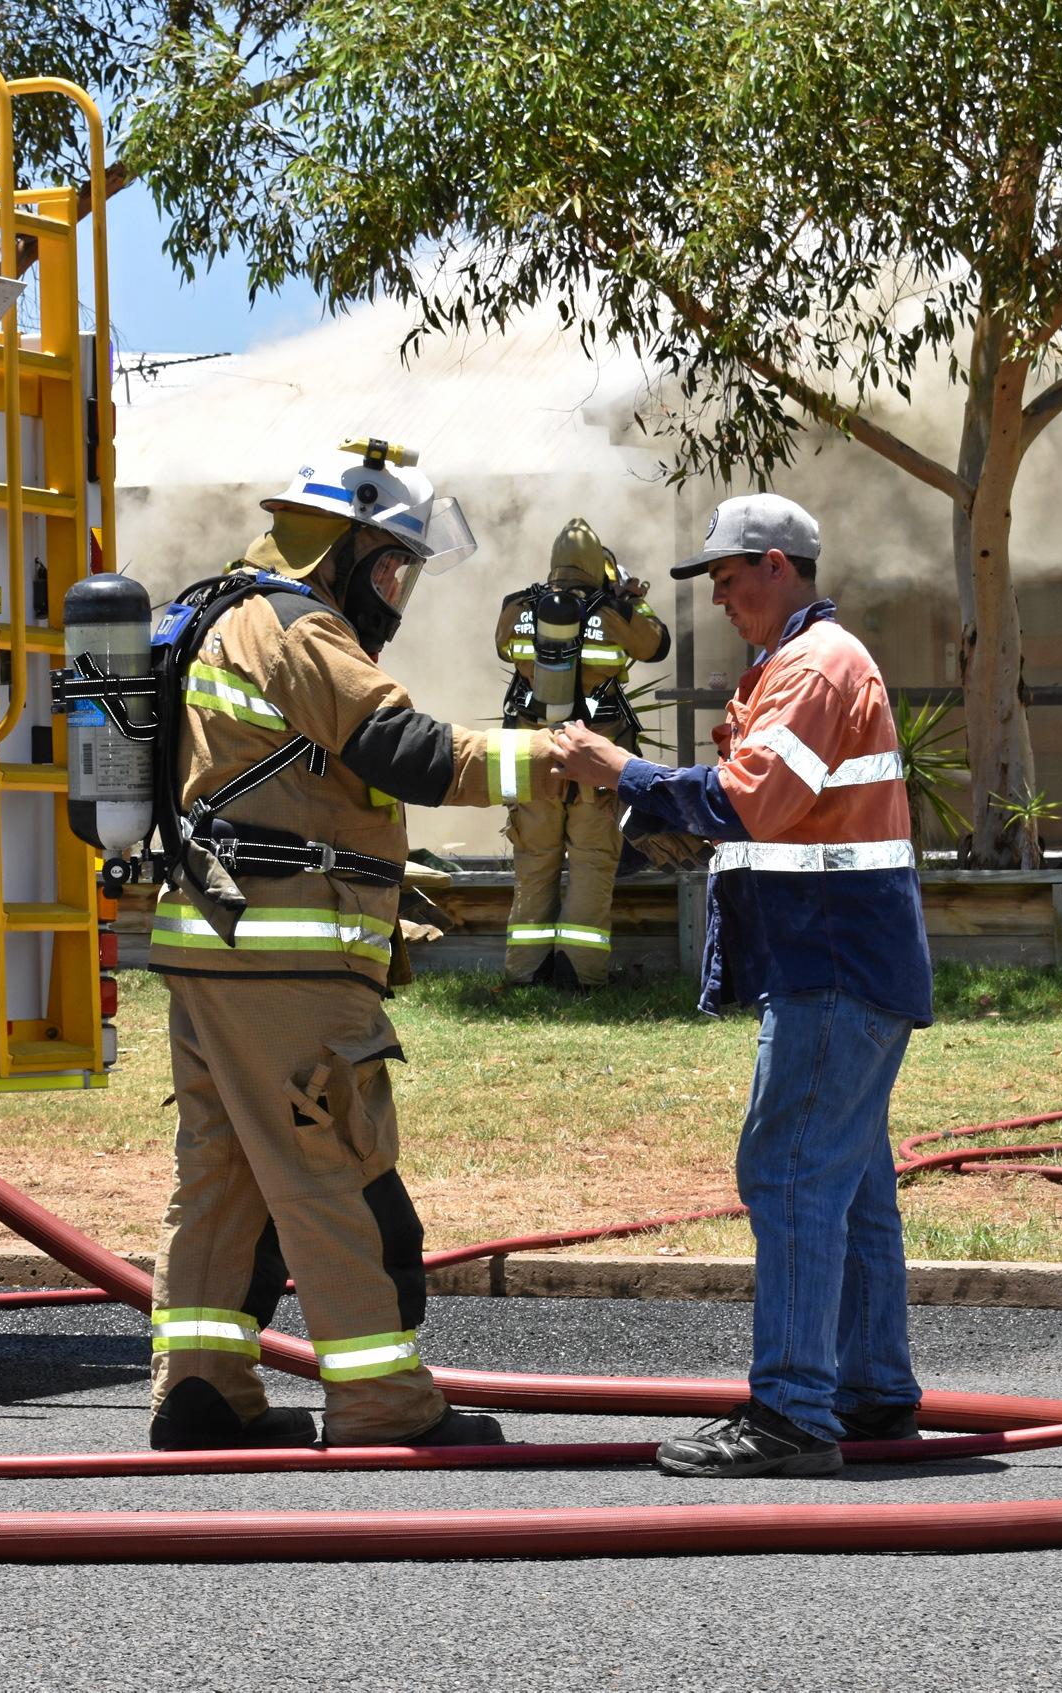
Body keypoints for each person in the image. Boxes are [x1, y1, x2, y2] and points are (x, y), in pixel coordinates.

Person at [145, 439, 559, 1452]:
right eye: (389, 564)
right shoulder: (301, 625)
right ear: (333, 547)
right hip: (286, 964)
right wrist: (552, 758)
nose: (398, 589)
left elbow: (296, 780)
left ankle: (201, 1389)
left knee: (226, 1175)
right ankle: (383, 1400)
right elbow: (403, 751)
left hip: (210, 945)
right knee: (335, 1165)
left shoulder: (219, 620)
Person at [550, 492, 934, 1478]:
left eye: (725, 579)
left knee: (793, 1174)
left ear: (775, 564)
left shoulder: (813, 666)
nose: (717, 599)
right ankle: (871, 1394)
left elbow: (754, 801)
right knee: (849, 1187)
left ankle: (795, 1412)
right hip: (844, 963)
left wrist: (625, 770)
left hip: (832, 965)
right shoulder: (799, 663)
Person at [494, 518, 670, 989]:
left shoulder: (518, 604)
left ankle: (525, 973)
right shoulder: (614, 611)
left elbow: (501, 647)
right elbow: (656, 645)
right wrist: (631, 597)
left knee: (535, 861)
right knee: (592, 859)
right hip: (597, 756)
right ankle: (580, 974)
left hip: (533, 756)